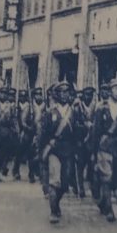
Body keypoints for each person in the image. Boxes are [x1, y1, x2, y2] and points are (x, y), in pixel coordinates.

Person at [39, 81, 82, 224]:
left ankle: (56, 203)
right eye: (61, 92)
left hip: (69, 150)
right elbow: (43, 134)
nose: (64, 95)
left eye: (67, 92)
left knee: (65, 183)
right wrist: (42, 151)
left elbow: (78, 133)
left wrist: (78, 149)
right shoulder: (50, 113)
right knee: (54, 182)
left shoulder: (74, 112)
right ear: (57, 95)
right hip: (54, 150)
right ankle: (53, 211)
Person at [93, 79, 117, 222]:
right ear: (110, 91)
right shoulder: (101, 108)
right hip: (105, 146)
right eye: (115, 89)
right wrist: (94, 151)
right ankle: (109, 209)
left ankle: (103, 201)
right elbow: (96, 130)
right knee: (106, 177)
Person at [0, 88, 18, 185]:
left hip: (7, 133)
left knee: (3, 155)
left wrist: (16, 129)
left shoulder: (10, 107)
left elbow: (14, 119)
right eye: (1, 93)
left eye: (5, 93)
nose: (3, 95)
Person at [73, 86, 97, 199]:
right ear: (83, 95)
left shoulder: (95, 107)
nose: (89, 97)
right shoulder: (77, 108)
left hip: (91, 141)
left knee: (91, 165)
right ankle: (80, 189)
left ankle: (93, 188)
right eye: (87, 94)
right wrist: (84, 126)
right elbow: (74, 125)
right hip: (80, 141)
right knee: (80, 165)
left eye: (90, 95)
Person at [13, 89, 37, 182]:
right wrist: (17, 130)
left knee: (31, 154)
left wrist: (31, 128)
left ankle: (31, 174)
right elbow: (15, 120)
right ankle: (16, 171)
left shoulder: (31, 107)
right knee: (18, 153)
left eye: (24, 96)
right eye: (21, 96)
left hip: (28, 133)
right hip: (18, 132)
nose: (23, 98)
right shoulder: (16, 106)